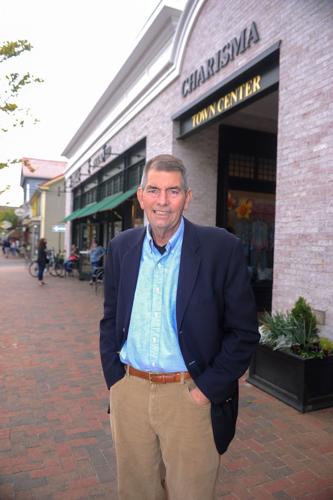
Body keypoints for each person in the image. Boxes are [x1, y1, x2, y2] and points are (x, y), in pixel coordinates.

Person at [100, 154, 259, 500]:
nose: (162, 201)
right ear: (140, 196)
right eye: (154, 190)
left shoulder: (221, 249)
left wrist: (204, 391)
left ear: (187, 198)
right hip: (130, 391)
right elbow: (110, 318)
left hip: (189, 396)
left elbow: (244, 333)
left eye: (173, 192)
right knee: (135, 492)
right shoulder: (121, 248)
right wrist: (116, 380)